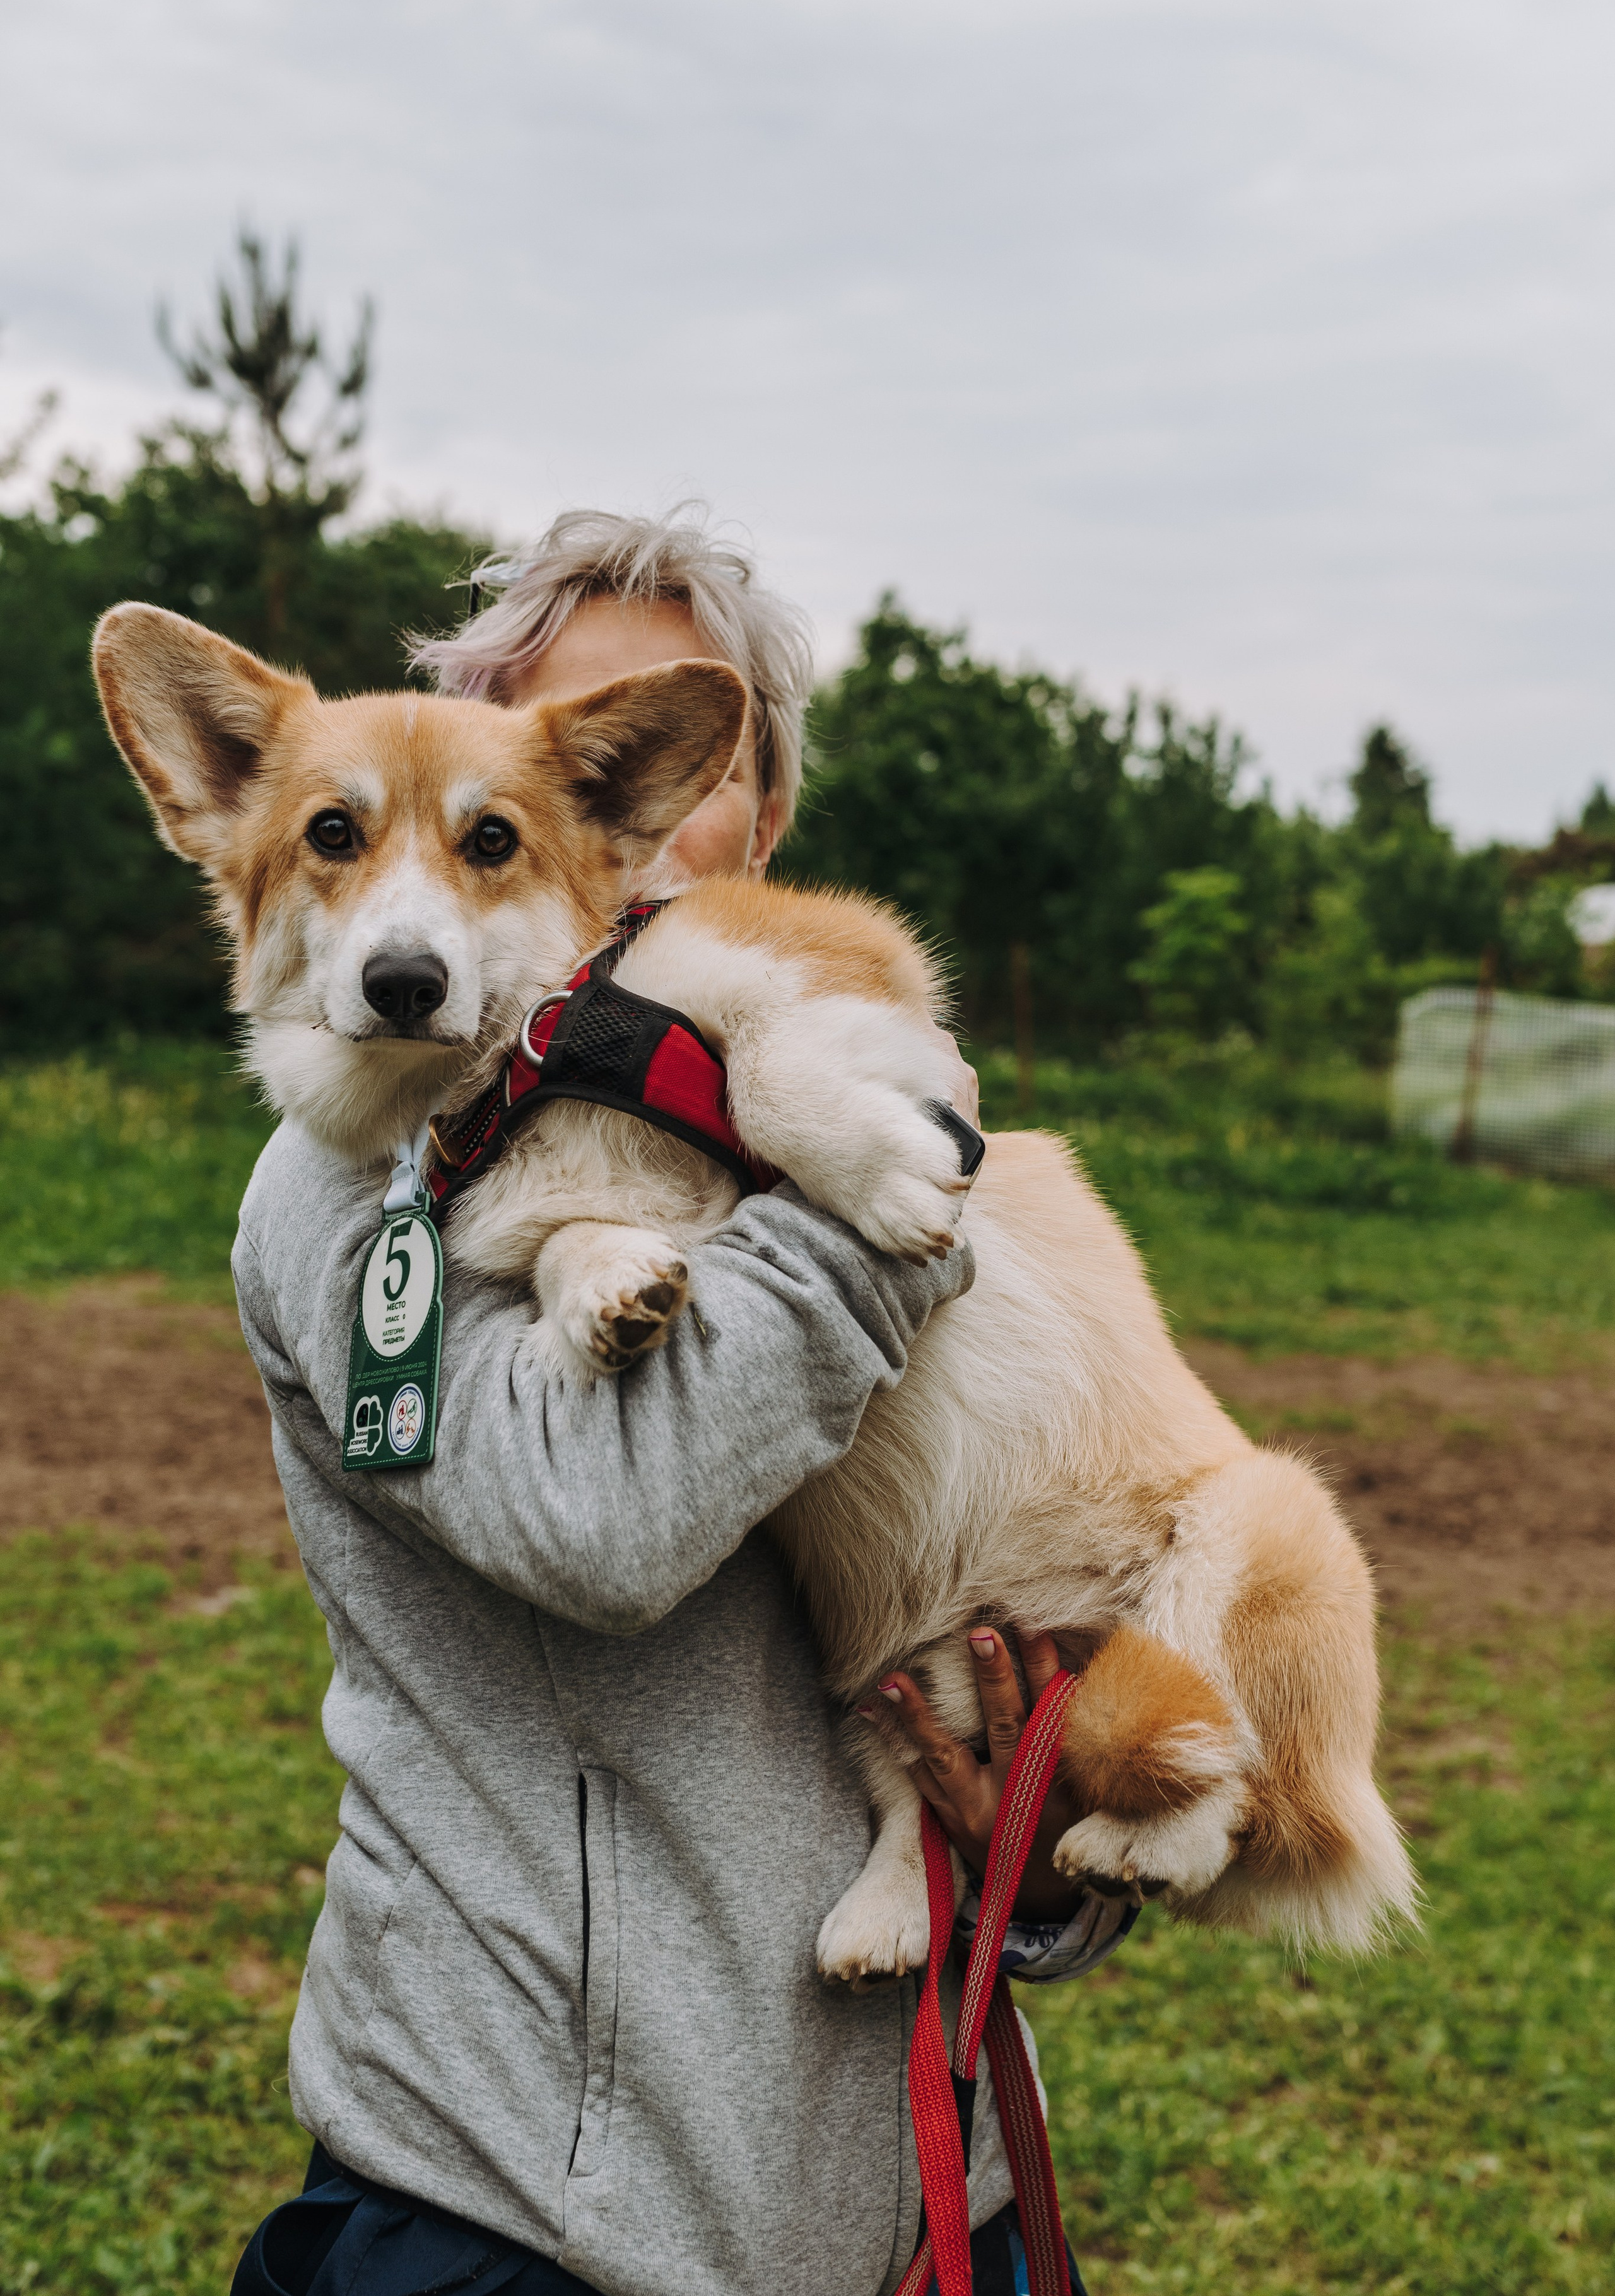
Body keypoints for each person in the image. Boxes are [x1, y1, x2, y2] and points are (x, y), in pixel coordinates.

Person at [231, 509, 1135, 2296]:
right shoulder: (356, 1165)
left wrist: (1053, 1869)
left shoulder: (834, 1120)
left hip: (925, 2190)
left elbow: (1042, 1578)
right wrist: (884, 1209)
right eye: (535, 777)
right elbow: (600, 1524)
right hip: (520, 2208)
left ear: (759, 816)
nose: (602, 818)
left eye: (648, 764)